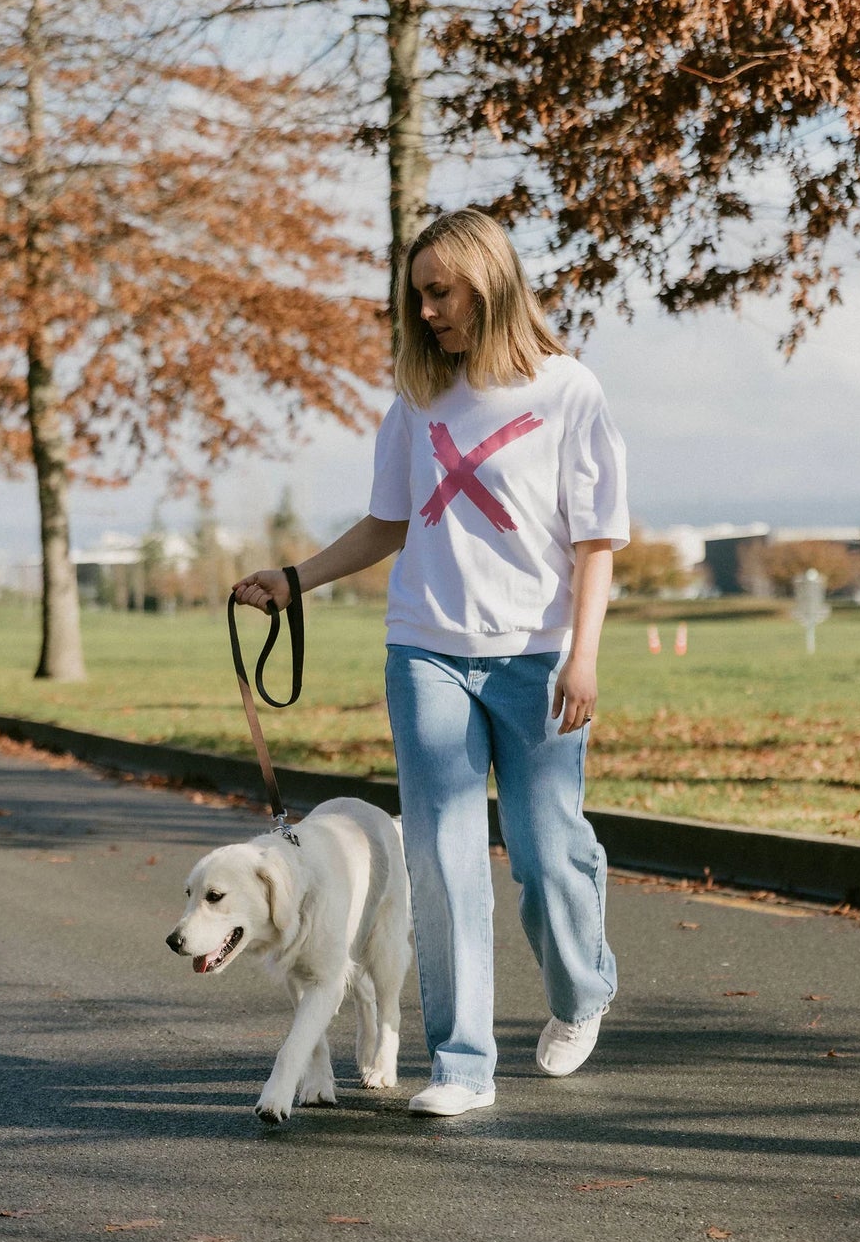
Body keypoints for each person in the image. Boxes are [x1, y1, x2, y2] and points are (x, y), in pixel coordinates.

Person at [233, 208, 629, 1117]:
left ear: (489, 284)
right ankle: (462, 1062)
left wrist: (584, 657)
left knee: (545, 855)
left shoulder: (569, 392)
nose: (428, 310)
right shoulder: (415, 401)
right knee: (444, 864)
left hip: (537, 658)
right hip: (427, 654)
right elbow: (388, 522)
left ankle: (583, 987)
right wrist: (298, 579)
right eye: (418, 296)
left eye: (441, 291)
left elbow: (598, 543)